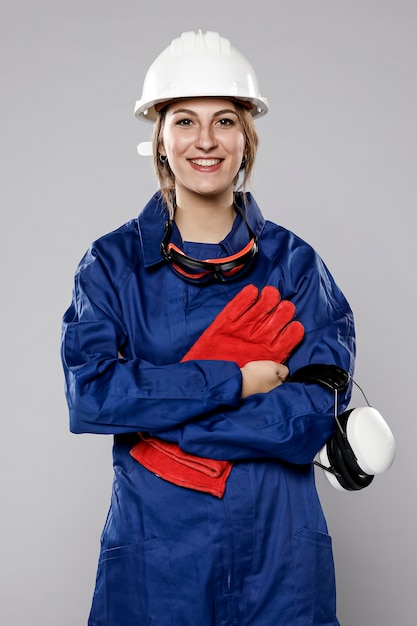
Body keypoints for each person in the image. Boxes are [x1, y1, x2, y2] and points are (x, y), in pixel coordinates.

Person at [61, 30, 355, 626]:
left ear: (246, 138)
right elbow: (91, 395)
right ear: (160, 140)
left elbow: (312, 415)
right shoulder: (111, 265)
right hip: (157, 553)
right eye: (184, 121)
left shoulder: (295, 266)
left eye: (224, 121)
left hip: (279, 549)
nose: (205, 141)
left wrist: (168, 430)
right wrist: (233, 379)